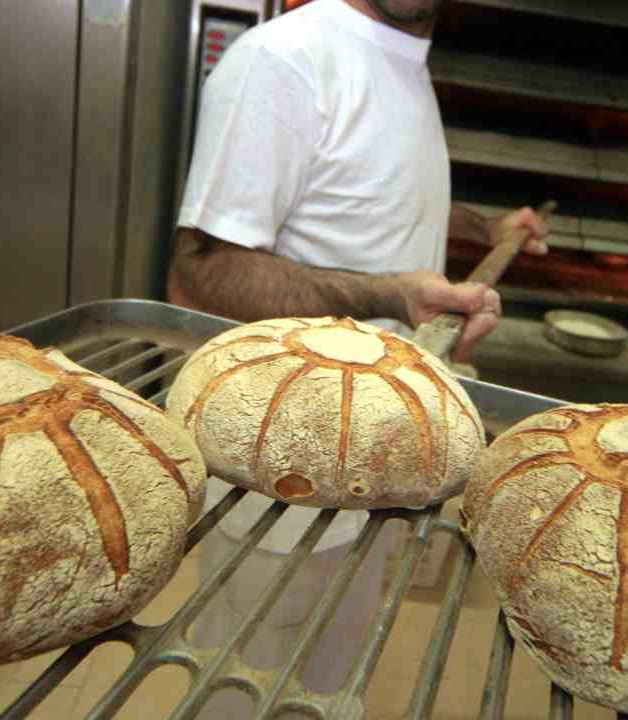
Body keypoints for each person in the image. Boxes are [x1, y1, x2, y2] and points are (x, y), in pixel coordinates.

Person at [167, 0, 549, 708]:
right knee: (246, 687)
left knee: (324, 686)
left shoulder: (401, 59)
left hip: (375, 469)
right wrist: (391, 297)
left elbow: (373, 199)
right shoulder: (285, 60)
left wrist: (484, 227)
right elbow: (205, 269)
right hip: (283, 485)